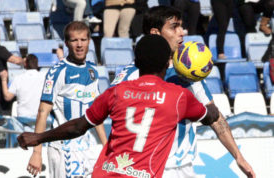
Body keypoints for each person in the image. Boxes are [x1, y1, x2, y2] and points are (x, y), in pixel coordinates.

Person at [18, 34, 219, 177]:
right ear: (168, 64)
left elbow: (78, 126)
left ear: (137, 63)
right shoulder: (178, 97)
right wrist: (196, 82)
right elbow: (211, 116)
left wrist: (39, 137)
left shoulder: (116, 92)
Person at [111, 6, 255, 178]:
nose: (182, 32)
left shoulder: (188, 71)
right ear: (155, 33)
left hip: (184, 168)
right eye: (174, 27)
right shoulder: (131, 75)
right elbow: (110, 115)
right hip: (145, 168)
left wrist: (238, 157)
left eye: (181, 26)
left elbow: (215, 117)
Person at [26, 21, 107, 178]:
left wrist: (106, 146)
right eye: (74, 40)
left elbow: (95, 112)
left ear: (89, 41)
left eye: (83, 40)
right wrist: (37, 152)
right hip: (63, 148)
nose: (79, 45)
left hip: (87, 146)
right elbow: (43, 112)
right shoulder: (58, 72)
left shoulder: (92, 71)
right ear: (66, 43)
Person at [0, 54, 45, 119]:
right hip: (40, 116)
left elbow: (7, 97)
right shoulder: (44, 78)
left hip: (23, 117)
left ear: (25, 64)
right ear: (37, 64)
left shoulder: (18, 79)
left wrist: (3, 80)